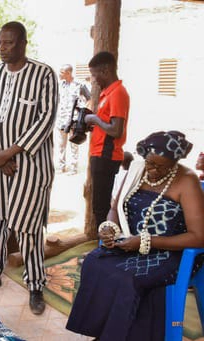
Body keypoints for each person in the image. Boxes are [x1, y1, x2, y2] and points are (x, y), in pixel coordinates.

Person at [66, 130, 204, 340]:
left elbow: (199, 236)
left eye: (162, 166)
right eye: (150, 163)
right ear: (144, 157)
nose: (153, 170)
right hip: (131, 241)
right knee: (94, 262)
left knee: (127, 279)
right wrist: (110, 227)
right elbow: (115, 208)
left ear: (175, 163)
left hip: (170, 251)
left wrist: (147, 241)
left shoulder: (187, 180)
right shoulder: (136, 171)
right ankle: (105, 331)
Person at [0, 21, 58, 315]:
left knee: (28, 225)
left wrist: (11, 152)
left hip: (30, 165)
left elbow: (46, 119)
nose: (2, 48)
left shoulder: (43, 73)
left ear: (23, 43)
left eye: (8, 43)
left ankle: (35, 284)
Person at [84, 51, 130, 229]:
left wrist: (95, 119)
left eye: (95, 75)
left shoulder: (118, 93)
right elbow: (107, 124)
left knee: (101, 207)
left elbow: (116, 130)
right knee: (99, 205)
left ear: (105, 71)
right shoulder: (108, 93)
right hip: (100, 154)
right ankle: (102, 246)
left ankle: (102, 249)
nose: (94, 80)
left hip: (106, 156)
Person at [55, 64, 91, 175]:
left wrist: (82, 113)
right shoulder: (60, 85)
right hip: (61, 119)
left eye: (62, 72)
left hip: (74, 120)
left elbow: (89, 98)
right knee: (61, 145)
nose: (60, 74)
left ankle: (73, 167)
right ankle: (61, 166)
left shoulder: (79, 85)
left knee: (74, 144)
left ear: (69, 73)